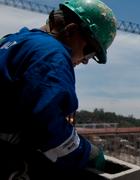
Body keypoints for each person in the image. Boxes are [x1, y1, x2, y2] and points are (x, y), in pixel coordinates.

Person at [0, 0, 117, 179]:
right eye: (90, 51)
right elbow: (47, 127)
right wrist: (86, 153)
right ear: (71, 30)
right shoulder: (51, 54)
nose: (86, 60)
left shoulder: (13, 40)